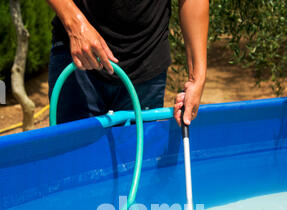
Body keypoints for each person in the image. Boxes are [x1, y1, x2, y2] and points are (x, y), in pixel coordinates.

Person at [46, 0, 209, 126]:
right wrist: (75, 24)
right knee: (75, 163)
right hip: (79, 60)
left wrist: (197, 78)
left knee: (134, 164)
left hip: (146, 62)